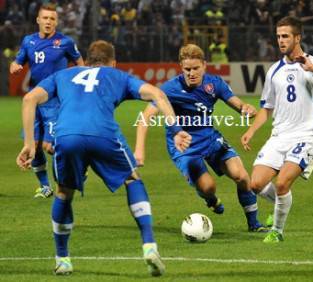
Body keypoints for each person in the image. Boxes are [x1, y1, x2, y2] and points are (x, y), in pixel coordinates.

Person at [16, 40, 191, 276]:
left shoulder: (63, 75)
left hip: (67, 136)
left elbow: (29, 100)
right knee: (132, 179)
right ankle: (149, 245)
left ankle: (63, 259)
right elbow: (157, 94)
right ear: (113, 62)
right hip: (103, 134)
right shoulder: (117, 75)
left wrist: (29, 143)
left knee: (63, 191)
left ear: (86, 61)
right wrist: (175, 130)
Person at [134, 43, 268, 232]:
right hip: (184, 147)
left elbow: (239, 105)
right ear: (181, 67)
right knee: (208, 187)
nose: (191, 73)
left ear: (204, 65)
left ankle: (254, 224)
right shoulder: (169, 89)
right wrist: (139, 149)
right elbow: (144, 118)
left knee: (241, 176)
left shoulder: (214, 84)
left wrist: (247, 109)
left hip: (211, 139)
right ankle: (211, 200)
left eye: (196, 68)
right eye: (187, 69)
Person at [241, 16, 313, 243]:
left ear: (297, 37)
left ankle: (277, 231)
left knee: (281, 183)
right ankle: (282, 203)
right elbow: (266, 108)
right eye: (278, 36)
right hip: (279, 136)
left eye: (285, 36)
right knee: (256, 183)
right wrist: (251, 130)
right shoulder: (273, 71)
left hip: (306, 136)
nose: (280, 40)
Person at [10, 4, 84, 198]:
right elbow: (18, 61)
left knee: (50, 146)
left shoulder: (65, 42)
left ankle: (78, 167)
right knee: (33, 143)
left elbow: (80, 63)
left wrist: (79, 83)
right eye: (45, 18)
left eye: (52, 19)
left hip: (56, 99)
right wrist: (14, 66)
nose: (48, 22)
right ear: (38, 20)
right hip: (35, 99)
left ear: (56, 22)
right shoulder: (29, 41)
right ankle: (45, 186)